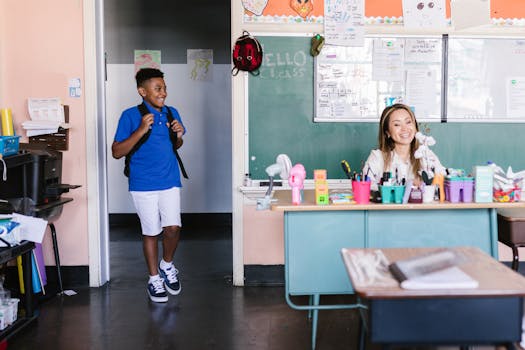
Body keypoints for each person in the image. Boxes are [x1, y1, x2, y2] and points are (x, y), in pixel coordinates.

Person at [112, 68, 186, 303]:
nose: (163, 92)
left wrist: (179, 134)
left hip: (170, 179)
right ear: (142, 91)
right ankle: (154, 279)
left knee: (173, 228)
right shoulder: (129, 116)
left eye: (164, 88)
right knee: (151, 231)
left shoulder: (172, 112)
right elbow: (116, 151)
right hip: (143, 183)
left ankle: (167, 265)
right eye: (158, 88)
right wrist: (141, 129)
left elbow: (175, 144)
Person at [363, 103, 445, 191]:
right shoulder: (377, 157)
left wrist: (425, 185)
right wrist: (406, 187)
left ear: (415, 127)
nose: (404, 128)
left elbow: (444, 181)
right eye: (397, 124)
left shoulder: (426, 155)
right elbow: (365, 187)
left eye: (408, 122)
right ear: (387, 132)